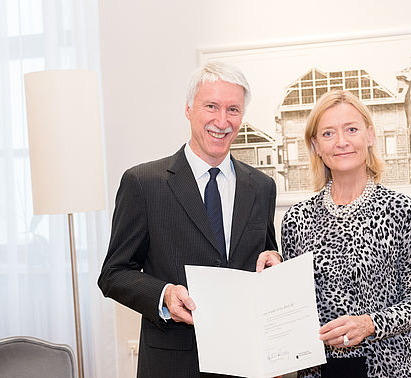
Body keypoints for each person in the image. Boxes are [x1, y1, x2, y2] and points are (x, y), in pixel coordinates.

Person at [98, 62, 281, 378]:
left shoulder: (262, 187)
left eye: (233, 110)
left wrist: (275, 261)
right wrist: (165, 294)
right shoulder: (144, 183)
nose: (222, 121)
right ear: (188, 109)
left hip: (247, 363)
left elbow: (266, 257)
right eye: (211, 106)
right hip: (174, 365)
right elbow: (114, 274)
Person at [281, 90, 411, 377]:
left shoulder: (400, 210)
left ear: (370, 135)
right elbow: (292, 307)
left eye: (351, 129)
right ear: (315, 145)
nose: (341, 142)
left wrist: (370, 324)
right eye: (328, 133)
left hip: (388, 370)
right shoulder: (296, 220)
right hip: (318, 372)